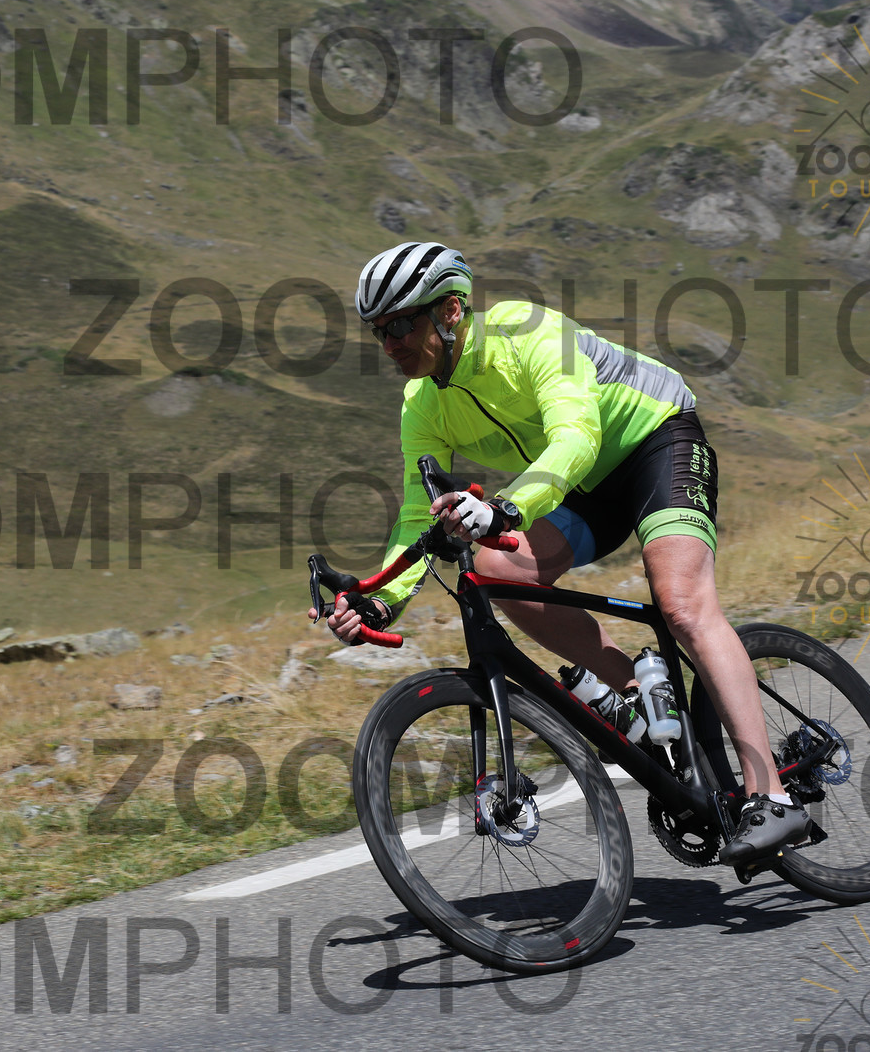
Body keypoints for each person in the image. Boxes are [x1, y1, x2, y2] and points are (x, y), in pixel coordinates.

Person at [309, 241, 810, 863]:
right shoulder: (422, 403)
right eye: (379, 331)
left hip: (655, 440)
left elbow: (576, 434)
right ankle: (638, 700)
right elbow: (419, 513)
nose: (390, 345)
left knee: (681, 604)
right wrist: (379, 601)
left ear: (451, 310)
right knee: (495, 569)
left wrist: (506, 509)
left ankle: (772, 797)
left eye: (401, 325)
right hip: (582, 486)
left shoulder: (528, 331)